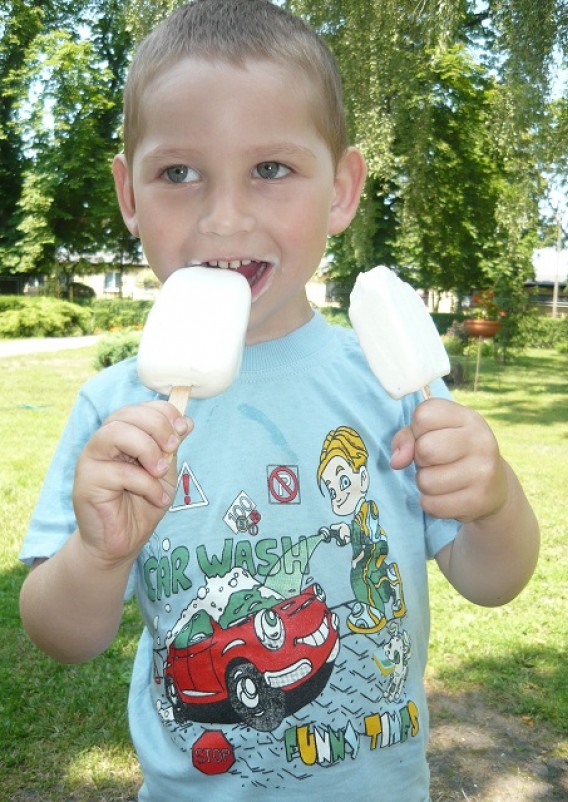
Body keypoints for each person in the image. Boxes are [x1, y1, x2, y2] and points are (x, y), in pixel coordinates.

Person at [18, 1, 540, 800]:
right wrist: (97, 556)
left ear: (342, 189)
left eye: (270, 169)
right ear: (129, 192)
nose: (224, 216)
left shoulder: (392, 385)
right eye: (178, 173)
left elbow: (494, 580)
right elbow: (60, 636)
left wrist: (496, 503)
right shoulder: (114, 411)